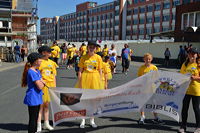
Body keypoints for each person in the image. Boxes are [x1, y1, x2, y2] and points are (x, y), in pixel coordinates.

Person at [75, 41, 104, 128]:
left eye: (93, 47)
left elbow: (100, 71)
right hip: (85, 78)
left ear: (95, 48)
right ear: (87, 48)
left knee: (93, 101)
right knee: (84, 100)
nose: (91, 48)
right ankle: (83, 119)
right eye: (90, 47)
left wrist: (100, 81)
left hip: (95, 79)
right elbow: (80, 71)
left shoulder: (98, 57)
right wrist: (80, 82)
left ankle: (92, 120)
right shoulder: (83, 57)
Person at [137, 53, 164, 125]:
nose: (147, 60)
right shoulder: (141, 68)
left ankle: (156, 117)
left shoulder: (154, 67)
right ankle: (142, 116)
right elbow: (139, 78)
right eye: (146, 59)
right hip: (144, 89)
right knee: (142, 103)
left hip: (152, 89)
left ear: (151, 59)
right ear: (143, 59)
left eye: (149, 59)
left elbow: (157, 78)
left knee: (154, 103)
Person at [178, 48, 200, 133]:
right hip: (186, 90)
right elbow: (181, 75)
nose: (192, 55)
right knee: (184, 109)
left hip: (196, 90)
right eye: (190, 53)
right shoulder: (185, 64)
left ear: (197, 55)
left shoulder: (198, 65)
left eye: (194, 53)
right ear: (188, 55)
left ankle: (198, 127)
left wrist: (195, 78)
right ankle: (183, 126)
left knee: (196, 109)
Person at [37, 46, 58, 132]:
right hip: (42, 86)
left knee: (47, 106)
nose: (50, 53)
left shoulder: (52, 63)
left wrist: (54, 87)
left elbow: (53, 76)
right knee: (40, 106)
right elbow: (37, 75)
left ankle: (46, 123)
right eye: (49, 51)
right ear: (43, 53)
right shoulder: (38, 62)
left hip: (50, 86)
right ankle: (38, 125)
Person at [22, 52, 44, 133]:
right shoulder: (31, 72)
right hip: (33, 97)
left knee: (35, 118)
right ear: (35, 61)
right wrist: (42, 82)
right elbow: (40, 86)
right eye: (40, 59)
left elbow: (42, 81)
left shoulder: (37, 71)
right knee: (33, 120)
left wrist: (42, 82)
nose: (41, 61)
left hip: (37, 96)